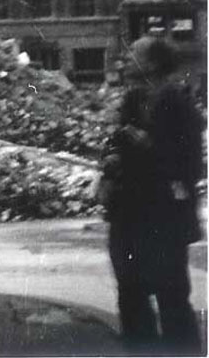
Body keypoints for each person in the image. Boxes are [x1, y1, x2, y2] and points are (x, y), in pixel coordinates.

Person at [98, 36, 204, 355]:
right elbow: (115, 142)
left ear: (154, 64)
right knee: (131, 297)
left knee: (171, 299)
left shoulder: (177, 101)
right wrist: (112, 159)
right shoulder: (133, 99)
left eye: (135, 54)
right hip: (128, 216)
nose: (127, 59)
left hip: (162, 217)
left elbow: (191, 165)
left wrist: (146, 146)